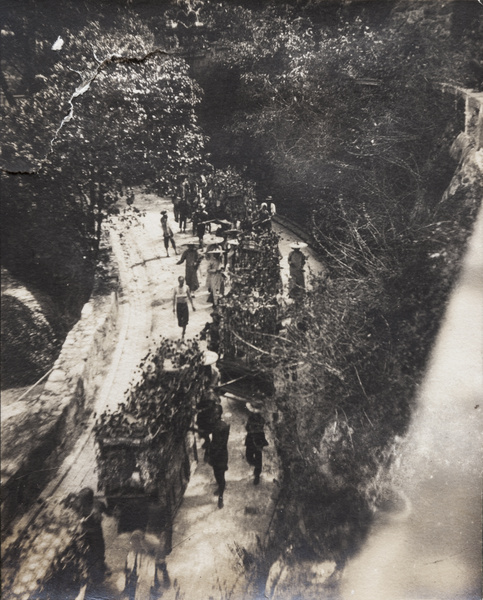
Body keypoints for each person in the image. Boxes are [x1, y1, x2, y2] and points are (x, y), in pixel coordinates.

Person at [74, 487, 110, 582]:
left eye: (82, 499)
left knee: (98, 552)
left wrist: (98, 517)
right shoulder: (83, 504)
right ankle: (94, 569)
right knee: (88, 553)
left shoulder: (97, 506)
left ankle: (98, 575)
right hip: (85, 533)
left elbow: (107, 512)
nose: (80, 500)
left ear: (88, 500)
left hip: (95, 533)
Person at [208, 404, 230, 509]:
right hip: (214, 452)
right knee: (216, 473)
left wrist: (215, 453)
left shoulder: (224, 426)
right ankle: (220, 487)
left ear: (219, 414)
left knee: (221, 475)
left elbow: (223, 443)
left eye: (216, 413)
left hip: (221, 454)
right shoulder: (213, 424)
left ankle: (221, 497)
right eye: (213, 413)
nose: (214, 415)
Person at [245, 400, 269, 485]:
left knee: (257, 456)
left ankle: (257, 475)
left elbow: (256, 428)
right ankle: (257, 469)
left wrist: (252, 429)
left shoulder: (260, 419)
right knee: (249, 457)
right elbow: (247, 427)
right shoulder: (251, 417)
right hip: (251, 439)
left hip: (258, 438)